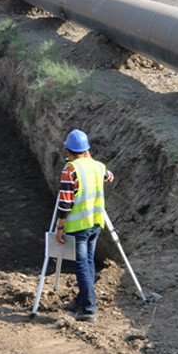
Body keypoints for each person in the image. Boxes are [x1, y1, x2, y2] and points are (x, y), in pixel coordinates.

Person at [55, 129, 114, 322]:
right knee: (88, 262)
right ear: (87, 150)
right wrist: (90, 159)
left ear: (68, 152)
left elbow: (65, 203)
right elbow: (109, 177)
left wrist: (60, 227)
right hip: (95, 223)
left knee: (81, 265)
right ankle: (81, 300)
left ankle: (89, 308)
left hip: (79, 226)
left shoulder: (70, 170)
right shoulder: (98, 166)